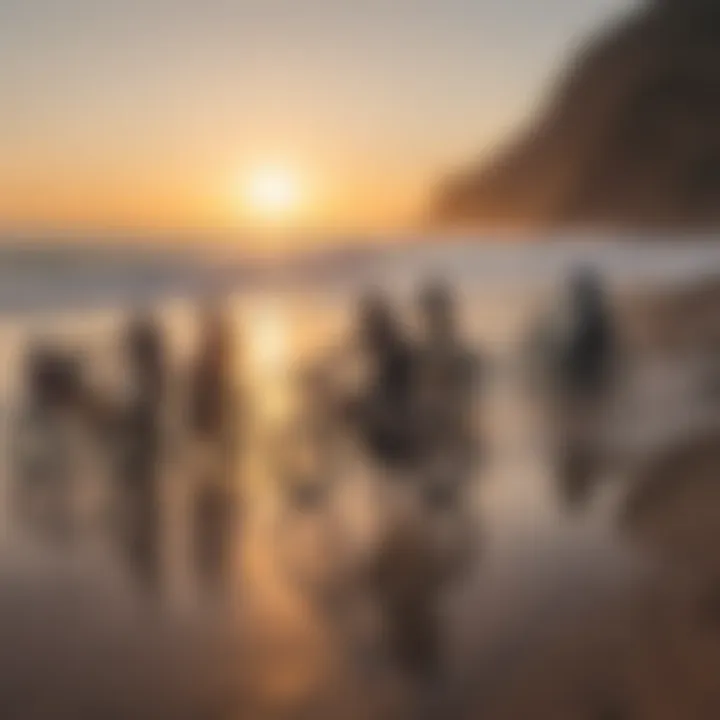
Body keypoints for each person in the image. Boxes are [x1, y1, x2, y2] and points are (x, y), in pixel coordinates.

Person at [346, 293, 420, 469]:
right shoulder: (385, 351)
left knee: (349, 411)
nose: (364, 332)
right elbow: (345, 353)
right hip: (389, 429)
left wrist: (362, 403)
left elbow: (393, 396)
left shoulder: (398, 355)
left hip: (397, 436)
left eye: (368, 326)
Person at [415, 281, 481, 476]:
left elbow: (466, 400)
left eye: (436, 313)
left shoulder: (461, 355)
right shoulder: (421, 353)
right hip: (434, 438)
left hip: (451, 436)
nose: (432, 319)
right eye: (429, 314)